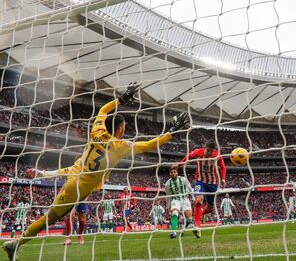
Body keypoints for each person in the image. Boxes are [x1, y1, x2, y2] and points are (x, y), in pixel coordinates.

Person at [2, 82, 190, 260]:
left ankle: (17, 244)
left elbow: (102, 110)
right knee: (48, 219)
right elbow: (149, 144)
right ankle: (16, 243)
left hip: (76, 179)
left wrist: (121, 100)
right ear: (119, 129)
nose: (124, 130)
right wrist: (171, 132)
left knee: (51, 218)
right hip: (77, 189)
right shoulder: (119, 145)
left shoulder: (97, 130)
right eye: (124, 127)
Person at [177, 139, 227, 238]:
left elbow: (223, 167)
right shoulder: (198, 152)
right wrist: (179, 165)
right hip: (199, 181)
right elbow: (188, 157)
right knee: (198, 201)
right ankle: (197, 227)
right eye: (208, 150)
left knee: (209, 208)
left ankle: (196, 217)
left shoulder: (217, 155)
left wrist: (223, 179)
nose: (210, 153)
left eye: (211, 151)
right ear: (205, 148)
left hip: (212, 183)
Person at [164, 166, 194, 239]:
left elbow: (190, 188)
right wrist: (167, 207)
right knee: (174, 213)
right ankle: (173, 232)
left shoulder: (183, 179)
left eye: (174, 172)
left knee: (189, 219)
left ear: (177, 173)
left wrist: (193, 198)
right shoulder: (167, 184)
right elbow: (168, 196)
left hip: (185, 199)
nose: (173, 173)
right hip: (175, 200)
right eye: (171, 172)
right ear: (169, 174)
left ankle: (183, 230)